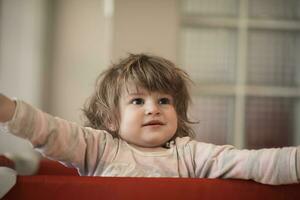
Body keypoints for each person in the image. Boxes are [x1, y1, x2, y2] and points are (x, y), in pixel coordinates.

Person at [0, 53, 299, 185]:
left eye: (164, 101)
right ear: (112, 119)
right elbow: (50, 132)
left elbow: (251, 163)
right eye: (138, 101)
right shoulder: (100, 148)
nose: (153, 109)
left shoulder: (190, 155)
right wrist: (8, 110)